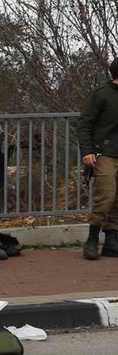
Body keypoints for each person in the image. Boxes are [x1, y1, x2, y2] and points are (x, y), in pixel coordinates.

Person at [76, 56, 118, 259]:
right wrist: (87, 151)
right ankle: (92, 239)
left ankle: (111, 241)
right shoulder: (101, 95)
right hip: (104, 153)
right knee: (107, 195)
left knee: (117, 199)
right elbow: (84, 123)